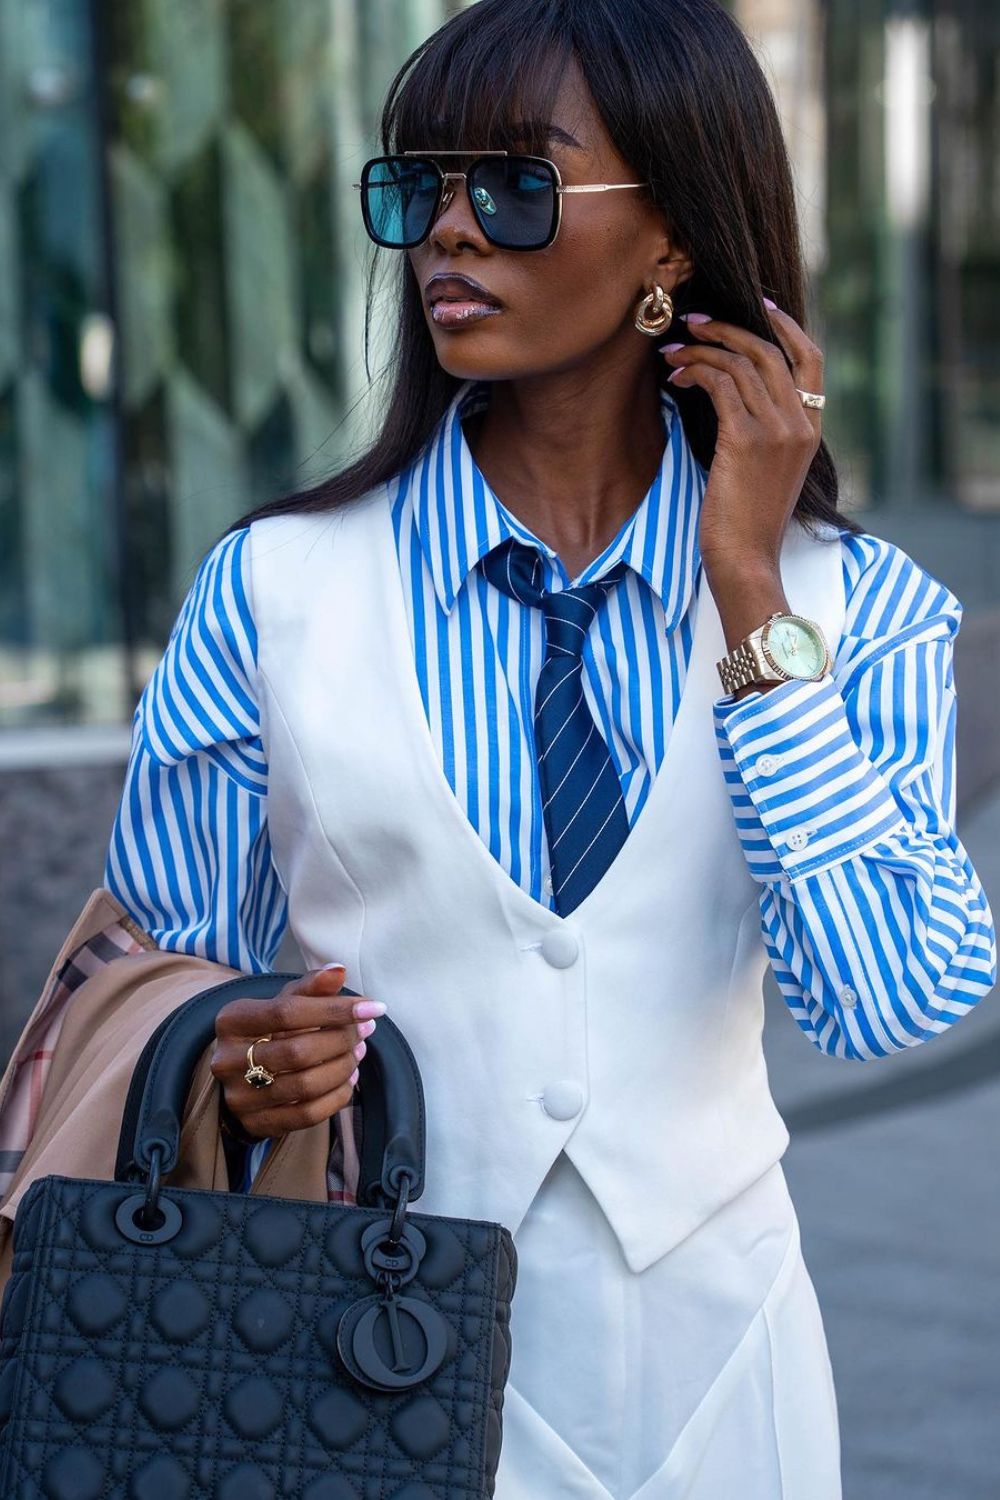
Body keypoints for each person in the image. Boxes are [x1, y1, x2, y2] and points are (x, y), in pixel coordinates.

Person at [101, 2, 997, 1496]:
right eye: (420, 187)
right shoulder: (273, 590)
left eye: (514, 185)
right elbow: (158, 994)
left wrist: (752, 597)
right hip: (352, 1358)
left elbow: (887, 1003)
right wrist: (239, 1059)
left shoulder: (862, 609)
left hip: (726, 1376)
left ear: (672, 240)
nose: (449, 232)